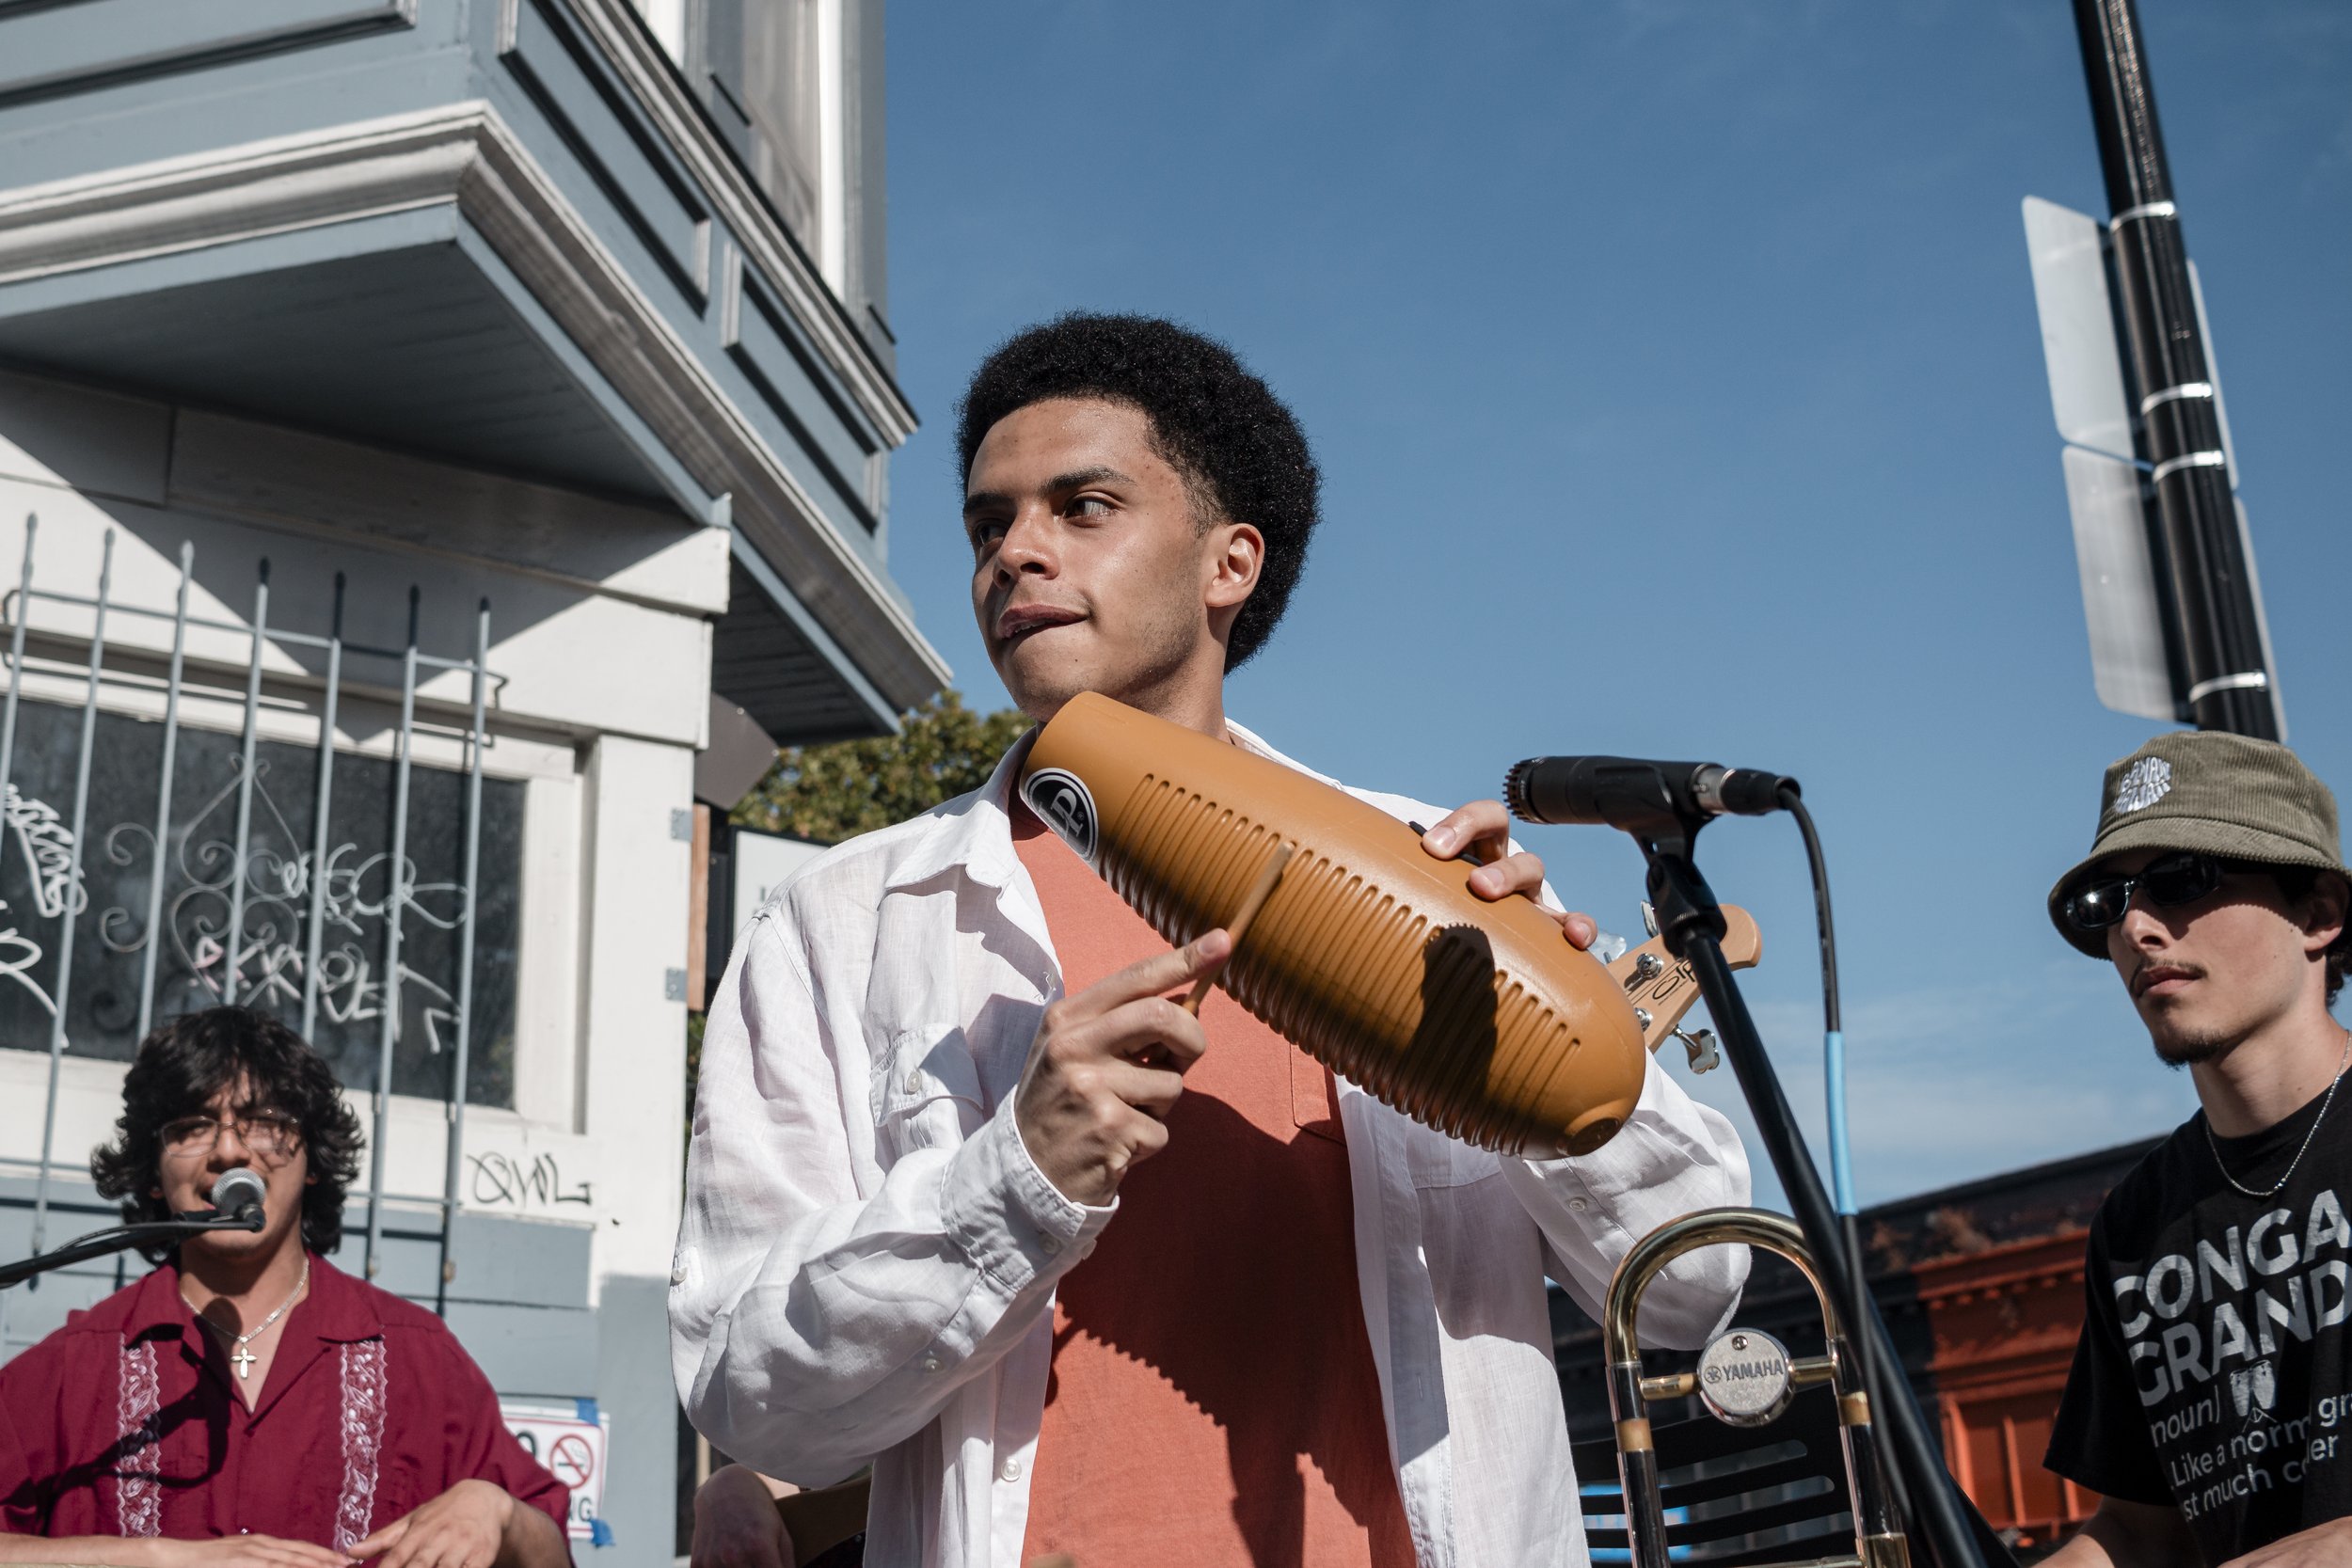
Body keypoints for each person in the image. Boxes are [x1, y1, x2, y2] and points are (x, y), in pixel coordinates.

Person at [671, 313, 1751, 1568]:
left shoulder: (1430, 868)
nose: (1015, 553)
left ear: (1228, 563)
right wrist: (1015, 1173)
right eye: (986, 523)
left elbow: (1697, 1287)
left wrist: (1551, 1050)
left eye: (1083, 504)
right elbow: (755, 1395)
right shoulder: (841, 916)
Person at [0, 1006, 573, 1568]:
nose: (229, 1151)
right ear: (154, 1170)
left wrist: (497, 1512)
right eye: (193, 1126)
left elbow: (551, 1555)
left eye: (264, 1122)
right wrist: (157, 1558)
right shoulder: (76, 1364)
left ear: (313, 1160)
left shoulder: (418, 1354)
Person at [2042, 733, 2352, 1568]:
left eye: (2182, 880)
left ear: (2318, 914)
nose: (2137, 927)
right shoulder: (2135, 1224)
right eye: (2107, 903)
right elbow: (2142, 1530)